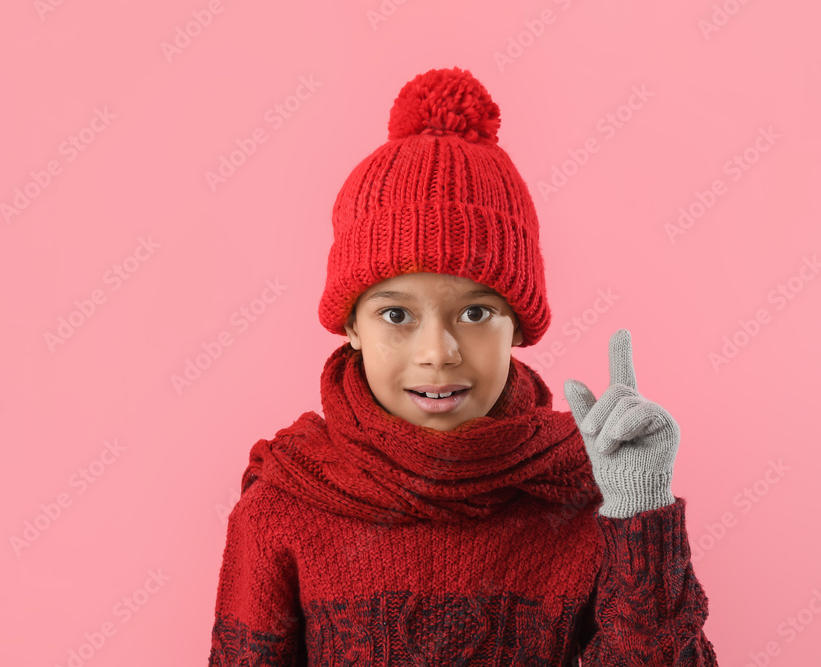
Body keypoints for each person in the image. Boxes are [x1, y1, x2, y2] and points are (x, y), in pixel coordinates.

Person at [207, 66, 719, 665]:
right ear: (350, 325)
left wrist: (638, 511)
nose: (439, 351)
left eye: (475, 313)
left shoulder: (584, 493)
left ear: (519, 326)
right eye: (396, 316)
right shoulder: (285, 507)